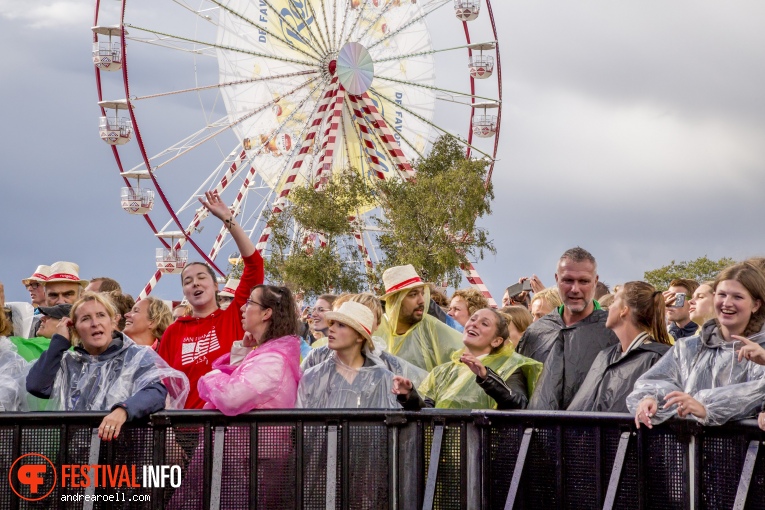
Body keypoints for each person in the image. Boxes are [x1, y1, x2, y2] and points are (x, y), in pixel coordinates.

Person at [26, 292, 188, 440]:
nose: (95, 323)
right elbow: (36, 385)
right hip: (78, 461)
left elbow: (156, 392)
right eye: (85, 318)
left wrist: (123, 410)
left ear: (113, 321)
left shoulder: (137, 356)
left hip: (124, 462)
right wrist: (59, 342)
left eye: (101, 315)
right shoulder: (70, 362)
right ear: (74, 328)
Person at [159, 190, 263, 409]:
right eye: (187, 281)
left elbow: (254, 266)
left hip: (223, 425)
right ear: (184, 292)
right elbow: (163, 386)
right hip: (182, 429)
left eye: (201, 277)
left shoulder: (234, 316)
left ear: (216, 286)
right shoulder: (173, 332)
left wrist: (228, 220)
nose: (194, 283)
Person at [630, 262, 765, 427]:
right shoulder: (690, 347)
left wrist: (706, 406)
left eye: (737, 297)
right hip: (689, 449)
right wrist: (650, 398)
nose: (727, 303)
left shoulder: (761, 351)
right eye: (722, 295)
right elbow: (659, 380)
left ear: (756, 305)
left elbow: (757, 392)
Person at [517, 247, 619, 410]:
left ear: (595, 281)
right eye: (568, 280)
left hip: (592, 432)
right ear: (557, 279)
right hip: (541, 431)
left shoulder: (614, 332)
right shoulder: (536, 332)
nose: (575, 289)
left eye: (583, 281)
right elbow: (519, 391)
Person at [393, 308, 542, 410]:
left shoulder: (510, 366)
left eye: (484, 323)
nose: (474, 324)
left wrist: (486, 377)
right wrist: (409, 396)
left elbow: (519, 405)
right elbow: (427, 416)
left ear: (496, 341)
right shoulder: (442, 371)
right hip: (442, 454)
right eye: (473, 319)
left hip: (483, 453)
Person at [568, 281, 672, 412]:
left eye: (614, 301)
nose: (609, 307)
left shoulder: (659, 357)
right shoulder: (605, 356)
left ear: (624, 310)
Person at [198, 284, 301, 414]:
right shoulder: (270, 356)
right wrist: (244, 350)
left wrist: (211, 377)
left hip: (257, 435)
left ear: (266, 313)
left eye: (249, 302)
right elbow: (240, 380)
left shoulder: (273, 362)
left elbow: (231, 399)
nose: (242, 308)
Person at [301, 293, 428, 387]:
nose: (362, 321)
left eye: (368, 316)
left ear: (378, 324)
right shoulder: (318, 356)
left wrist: (407, 396)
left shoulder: (386, 364)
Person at [297, 301, 400, 408]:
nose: (331, 329)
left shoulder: (383, 379)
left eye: (341, 325)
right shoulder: (311, 377)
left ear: (360, 337)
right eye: (332, 323)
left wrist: (409, 396)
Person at [373, 265, 464, 372]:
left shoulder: (431, 328)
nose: (422, 300)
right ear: (395, 300)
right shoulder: (375, 329)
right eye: (413, 294)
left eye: (422, 293)